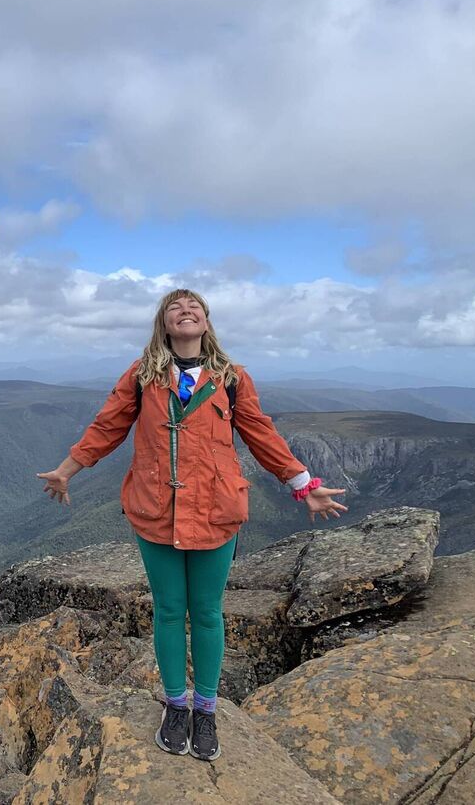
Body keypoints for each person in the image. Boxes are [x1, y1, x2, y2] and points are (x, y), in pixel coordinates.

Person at [36, 288, 347, 761]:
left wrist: (303, 484)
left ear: (206, 322)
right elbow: (107, 427)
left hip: (216, 511)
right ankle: (175, 705)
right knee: (167, 610)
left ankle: (206, 709)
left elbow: (261, 433)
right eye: (174, 307)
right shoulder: (143, 377)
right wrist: (67, 469)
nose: (185, 310)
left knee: (205, 612)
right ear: (164, 324)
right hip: (156, 510)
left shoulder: (232, 379)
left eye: (194, 307)